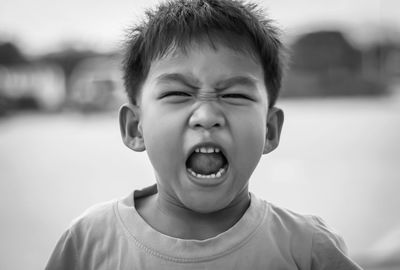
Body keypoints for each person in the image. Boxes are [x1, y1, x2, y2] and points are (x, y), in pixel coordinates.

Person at [46, 0, 363, 269]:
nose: (207, 116)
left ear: (269, 130)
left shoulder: (307, 250)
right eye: (178, 94)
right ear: (134, 128)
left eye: (235, 95)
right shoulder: (89, 242)